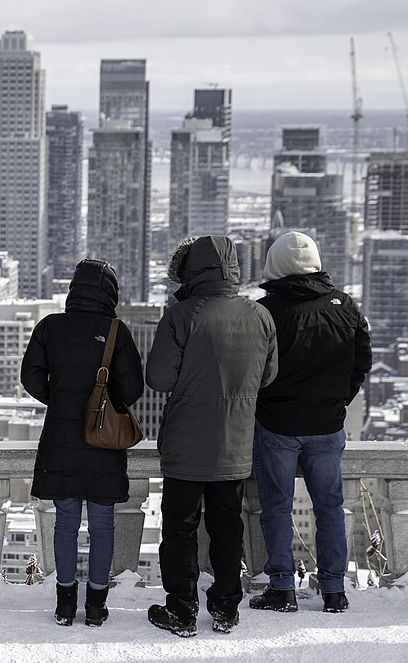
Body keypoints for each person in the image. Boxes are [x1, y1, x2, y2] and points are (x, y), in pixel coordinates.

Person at [146, 236, 278, 637]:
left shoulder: (182, 315)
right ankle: (225, 609)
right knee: (227, 529)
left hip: (187, 445)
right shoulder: (260, 316)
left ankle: (182, 611)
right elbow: (268, 377)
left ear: (190, 270)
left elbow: (158, 377)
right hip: (235, 444)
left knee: (180, 531)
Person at [249, 232, 371, 614]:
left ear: (276, 265)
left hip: (277, 424)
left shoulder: (265, 311)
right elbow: (360, 363)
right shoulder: (346, 306)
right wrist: (337, 402)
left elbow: (253, 370)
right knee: (330, 507)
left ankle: (282, 587)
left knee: (276, 506)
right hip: (327, 424)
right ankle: (334, 590)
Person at [21, 259, 144, 627]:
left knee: (65, 523)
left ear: (74, 289)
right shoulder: (115, 331)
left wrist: (59, 400)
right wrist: (102, 407)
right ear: (110, 292)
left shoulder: (49, 326)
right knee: (103, 523)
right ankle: (96, 606)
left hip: (60, 438)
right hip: (103, 442)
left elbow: (30, 377)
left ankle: (63, 604)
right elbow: (134, 388)